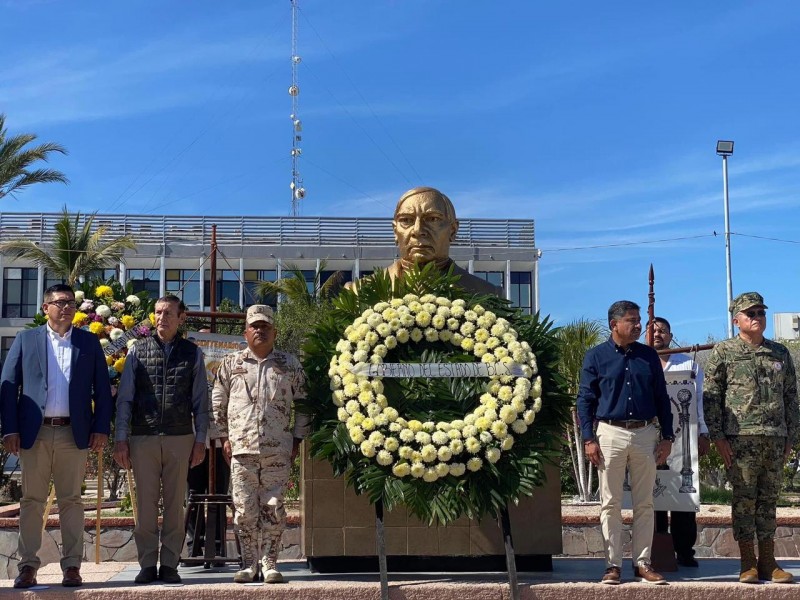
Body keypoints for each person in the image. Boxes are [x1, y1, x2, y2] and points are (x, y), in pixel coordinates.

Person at [0, 283, 113, 589]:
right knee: (32, 502)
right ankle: (27, 565)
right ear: (45, 308)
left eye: (70, 303)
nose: (66, 307)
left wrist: (101, 428)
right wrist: (10, 429)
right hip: (33, 434)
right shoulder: (26, 340)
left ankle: (73, 565)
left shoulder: (88, 343)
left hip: (72, 434)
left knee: (72, 501)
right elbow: (8, 386)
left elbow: (102, 390)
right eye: (60, 302)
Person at [211, 304, 311, 584]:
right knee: (244, 510)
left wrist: (298, 438)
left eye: (265, 327)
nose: (260, 331)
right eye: (255, 326)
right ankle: (248, 563)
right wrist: (223, 438)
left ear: (274, 332)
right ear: (245, 333)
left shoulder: (289, 364)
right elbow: (218, 403)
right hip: (242, 449)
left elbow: (304, 403)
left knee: (274, 507)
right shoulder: (231, 364)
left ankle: (269, 562)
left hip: (277, 450)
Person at [704, 292, 799, 584]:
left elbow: (791, 397)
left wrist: (791, 438)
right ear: (737, 320)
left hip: (774, 439)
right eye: (750, 313)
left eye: (760, 312)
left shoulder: (779, 353)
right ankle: (748, 562)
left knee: (769, 501)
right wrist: (718, 437)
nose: (757, 317)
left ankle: (769, 561)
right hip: (740, 440)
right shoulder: (724, 352)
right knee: (744, 500)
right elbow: (711, 398)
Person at [113, 295, 209, 585]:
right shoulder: (137, 352)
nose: (161, 317)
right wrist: (121, 439)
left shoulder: (193, 353)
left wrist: (200, 440)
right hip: (144, 438)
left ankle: (169, 564)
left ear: (181, 317)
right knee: (145, 505)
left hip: (181, 437)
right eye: (157, 312)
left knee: (175, 506)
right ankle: (146, 564)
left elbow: (201, 402)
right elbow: (125, 400)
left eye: (168, 312)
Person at [577, 300, 674, 585]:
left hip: (645, 434)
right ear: (614, 324)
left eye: (638, 319)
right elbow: (585, 400)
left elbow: (661, 399)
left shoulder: (648, 356)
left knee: (645, 503)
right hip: (610, 433)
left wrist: (667, 437)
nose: (638, 325)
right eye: (631, 320)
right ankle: (613, 565)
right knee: (610, 503)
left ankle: (643, 563)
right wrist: (588, 439)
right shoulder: (595, 357)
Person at [353, 187, 501, 296]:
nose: (418, 230)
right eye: (406, 220)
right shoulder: (358, 292)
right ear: (395, 231)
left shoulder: (485, 293)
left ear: (453, 230)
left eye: (432, 219)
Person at [652, 316, 709, 567]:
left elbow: (698, 403)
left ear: (671, 335)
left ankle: (684, 550)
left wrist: (703, 433)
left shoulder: (689, 365)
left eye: (662, 331)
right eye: (652, 331)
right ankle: (655, 547)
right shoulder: (640, 362)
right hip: (648, 438)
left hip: (683, 438)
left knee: (682, 495)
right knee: (652, 494)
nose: (657, 335)